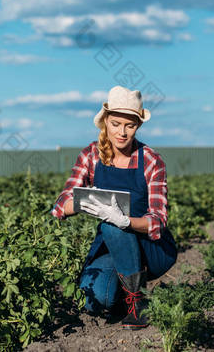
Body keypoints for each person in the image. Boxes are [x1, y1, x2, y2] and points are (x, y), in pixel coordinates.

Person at [49, 85, 177, 330]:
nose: (122, 132)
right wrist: (85, 201)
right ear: (105, 122)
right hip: (115, 247)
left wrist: (126, 221)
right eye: (116, 124)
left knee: (113, 227)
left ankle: (136, 302)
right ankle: (122, 292)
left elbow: (158, 219)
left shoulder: (151, 160)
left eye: (129, 125)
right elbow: (60, 206)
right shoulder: (91, 155)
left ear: (137, 126)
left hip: (151, 248)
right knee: (96, 299)